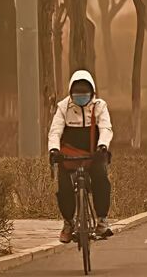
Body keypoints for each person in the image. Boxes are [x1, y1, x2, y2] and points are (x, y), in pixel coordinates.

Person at [48, 70, 114, 243]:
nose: (81, 97)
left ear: (92, 93)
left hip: (93, 154)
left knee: (101, 180)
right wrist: (54, 150)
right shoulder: (63, 107)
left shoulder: (100, 106)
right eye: (77, 94)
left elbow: (106, 128)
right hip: (68, 156)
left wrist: (103, 146)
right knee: (64, 188)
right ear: (71, 93)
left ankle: (102, 221)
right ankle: (68, 223)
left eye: (85, 94)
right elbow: (55, 131)